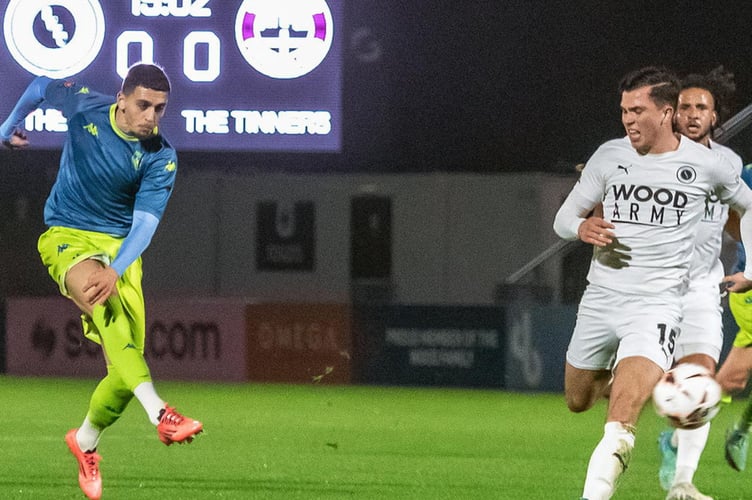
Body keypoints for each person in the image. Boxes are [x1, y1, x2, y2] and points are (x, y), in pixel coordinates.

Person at [0, 63, 203, 500]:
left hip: (121, 254)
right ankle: (161, 415)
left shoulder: (160, 157)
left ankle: (86, 440)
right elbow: (38, 87)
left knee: (123, 366)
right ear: (122, 101)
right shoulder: (84, 106)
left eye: (160, 109)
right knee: (107, 311)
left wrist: (116, 269)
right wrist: (7, 128)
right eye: (144, 105)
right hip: (67, 237)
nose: (152, 116)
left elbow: (144, 228)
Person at [553, 66, 752, 500]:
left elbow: (749, 208)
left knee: (622, 418)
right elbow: (564, 217)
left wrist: (751, 268)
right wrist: (580, 229)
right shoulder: (609, 156)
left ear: (665, 114)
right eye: (624, 110)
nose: (627, 119)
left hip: (661, 303)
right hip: (601, 297)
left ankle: (675, 480)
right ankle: (662, 388)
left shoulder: (709, 165)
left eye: (637, 110)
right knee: (577, 399)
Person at [656, 66, 743, 500]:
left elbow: (738, 218)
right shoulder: (649, 158)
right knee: (622, 385)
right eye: (685, 106)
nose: (692, 114)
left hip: (700, 290)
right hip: (646, 290)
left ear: (714, 117)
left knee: (701, 379)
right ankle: (657, 438)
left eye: (701, 107)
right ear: (671, 114)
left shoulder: (728, 164)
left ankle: (682, 484)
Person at [716, 161, 752, 473]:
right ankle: (741, 431)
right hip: (749, 289)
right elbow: (726, 217)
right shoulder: (748, 176)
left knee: (729, 381)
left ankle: (674, 441)